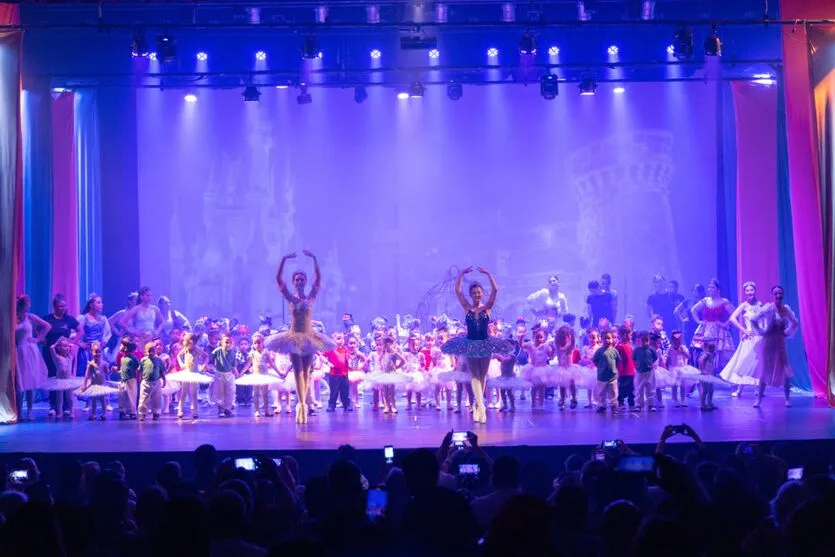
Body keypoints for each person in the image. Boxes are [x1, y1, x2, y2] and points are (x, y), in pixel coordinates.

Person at [267, 250, 337, 424]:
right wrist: (283, 259)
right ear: (294, 282)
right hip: (293, 337)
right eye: (296, 279)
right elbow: (279, 281)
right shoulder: (290, 298)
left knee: (306, 373)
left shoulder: (310, 298)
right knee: (298, 371)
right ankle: (301, 407)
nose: (299, 281)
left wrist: (314, 259)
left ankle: (305, 405)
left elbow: (318, 280)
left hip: (309, 338)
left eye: (302, 279)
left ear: (305, 281)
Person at [441, 266, 512, 424]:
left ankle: (476, 404)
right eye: (473, 293)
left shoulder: (487, 308)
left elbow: (495, 290)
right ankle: (481, 407)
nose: (476, 295)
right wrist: (460, 274)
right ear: (471, 295)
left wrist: (488, 273)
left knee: (482, 376)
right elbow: (458, 291)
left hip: (485, 344)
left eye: (478, 292)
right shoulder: (467, 307)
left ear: (481, 293)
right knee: (474, 375)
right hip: (471, 344)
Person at [750, 285, 799, 408]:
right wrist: (761, 331)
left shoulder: (785, 309)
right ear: (772, 295)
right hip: (767, 343)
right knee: (764, 370)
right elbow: (753, 320)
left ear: (782, 294)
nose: (778, 295)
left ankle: (787, 398)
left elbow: (794, 322)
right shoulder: (768, 308)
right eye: (776, 293)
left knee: (786, 369)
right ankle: (758, 399)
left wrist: (787, 332)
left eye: (780, 293)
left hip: (780, 343)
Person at [720, 281, 765, 397]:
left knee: (757, 363)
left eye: (752, 290)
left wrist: (764, 333)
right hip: (749, 338)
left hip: (759, 338)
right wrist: (744, 330)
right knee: (743, 362)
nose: (750, 292)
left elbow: (764, 321)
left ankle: (757, 389)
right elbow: (732, 318)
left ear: (755, 291)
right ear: (745, 292)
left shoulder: (760, 304)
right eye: (747, 290)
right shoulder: (744, 305)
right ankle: (739, 389)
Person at [15, 295, 51, 421]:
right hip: (18, 350)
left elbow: (47, 326)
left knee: (30, 381)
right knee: (19, 383)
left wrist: (38, 338)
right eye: (24, 303)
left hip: (29, 350)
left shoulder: (30, 317)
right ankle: (18, 412)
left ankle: (30, 411)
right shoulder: (13, 318)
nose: (27, 305)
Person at [690, 278, 736, 372]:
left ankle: (718, 373)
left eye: (712, 287)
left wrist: (725, 324)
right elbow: (693, 310)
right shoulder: (705, 300)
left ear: (718, 289)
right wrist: (699, 321)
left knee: (720, 353)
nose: (710, 289)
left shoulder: (724, 301)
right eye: (709, 288)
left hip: (719, 331)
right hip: (705, 330)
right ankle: (705, 372)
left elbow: (734, 314)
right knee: (704, 352)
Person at [209, 333, 238, 417]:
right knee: (219, 391)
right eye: (226, 342)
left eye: (230, 342)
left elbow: (234, 365)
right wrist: (208, 365)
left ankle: (228, 408)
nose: (228, 344)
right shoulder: (217, 351)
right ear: (221, 342)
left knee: (230, 391)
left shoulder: (233, 353)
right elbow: (210, 359)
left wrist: (236, 373)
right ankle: (220, 407)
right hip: (219, 374)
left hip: (229, 374)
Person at [323, 332, 353, 413]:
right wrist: (327, 362)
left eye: (342, 339)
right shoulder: (330, 349)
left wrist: (349, 362)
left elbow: (348, 358)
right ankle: (331, 405)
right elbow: (321, 355)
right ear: (333, 340)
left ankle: (346, 405)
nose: (341, 341)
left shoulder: (345, 349)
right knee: (334, 391)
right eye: (338, 339)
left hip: (344, 374)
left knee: (345, 391)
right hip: (334, 374)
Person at [138, 342, 167, 421]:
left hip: (156, 382)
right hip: (146, 382)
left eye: (153, 351)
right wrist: (140, 379)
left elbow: (162, 371)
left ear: (156, 351)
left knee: (157, 398)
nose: (151, 353)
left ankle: (156, 413)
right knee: (143, 398)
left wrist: (164, 380)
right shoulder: (143, 360)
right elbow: (140, 370)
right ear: (145, 351)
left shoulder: (159, 360)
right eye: (149, 351)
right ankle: (142, 413)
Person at [593, 331, 620, 414]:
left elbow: (618, 361)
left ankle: (614, 405)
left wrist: (614, 370)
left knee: (614, 392)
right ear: (602, 339)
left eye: (609, 338)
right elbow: (595, 361)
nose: (607, 340)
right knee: (601, 392)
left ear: (612, 339)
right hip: (602, 376)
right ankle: (602, 405)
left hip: (612, 376)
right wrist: (601, 368)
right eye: (605, 338)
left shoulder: (614, 351)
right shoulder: (599, 351)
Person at [632, 331, 658, 412]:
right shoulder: (636, 350)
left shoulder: (651, 349)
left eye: (646, 340)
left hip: (649, 371)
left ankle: (651, 404)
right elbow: (634, 358)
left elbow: (654, 358)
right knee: (639, 388)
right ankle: (638, 404)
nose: (644, 343)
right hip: (640, 372)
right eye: (642, 340)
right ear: (639, 340)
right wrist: (638, 366)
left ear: (649, 340)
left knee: (650, 388)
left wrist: (649, 364)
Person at [117, 340, 140, 420]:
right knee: (122, 396)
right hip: (123, 380)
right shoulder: (122, 358)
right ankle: (122, 411)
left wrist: (135, 372)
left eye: (122, 345)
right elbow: (122, 369)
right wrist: (117, 371)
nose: (120, 347)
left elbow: (138, 366)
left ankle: (132, 412)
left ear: (126, 348)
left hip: (131, 379)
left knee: (131, 396)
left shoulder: (132, 357)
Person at [615, 326, 636, 410]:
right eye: (626, 334)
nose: (628, 336)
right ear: (622, 335)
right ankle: (621, 401)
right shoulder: (619, 346)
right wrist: (619, 370)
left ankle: (631, 401)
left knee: (631, 387)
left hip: (631, 370)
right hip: (623, 371)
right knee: (622, 387)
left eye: (629, 334)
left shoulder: (629, 345)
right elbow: (619, 360)